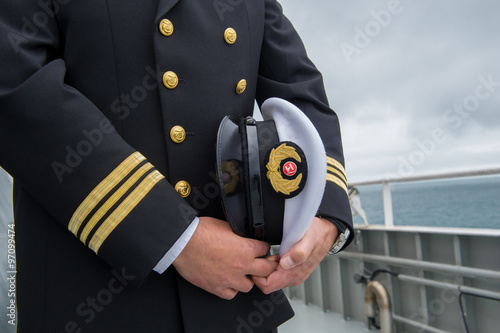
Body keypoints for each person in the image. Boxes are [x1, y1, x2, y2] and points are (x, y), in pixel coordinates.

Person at [0, 0, 353, 332]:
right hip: (95, 295)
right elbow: (14, 85)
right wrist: (177, 237)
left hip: (235, 299)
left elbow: (298, 88)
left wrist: (323, 210)